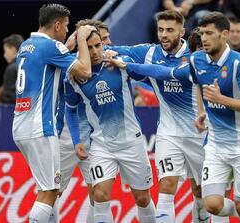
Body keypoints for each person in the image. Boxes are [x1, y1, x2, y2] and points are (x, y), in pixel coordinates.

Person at [109, 10, 210, 223]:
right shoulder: (148, 52)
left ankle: (203, 212)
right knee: (166, 187)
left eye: (170, 30)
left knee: (203, 194)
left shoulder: (196, 56)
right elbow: (114, 50)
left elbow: (159, 72)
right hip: (169, 133)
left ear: (182, 32)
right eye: (161, 29)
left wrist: (128, 64)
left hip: (199, 134)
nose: (164, 35)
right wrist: (101, 52)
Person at [12, 3, 93, 223]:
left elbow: (51, 58)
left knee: (46, 188)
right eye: (66, 26)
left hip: (21, 126)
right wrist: (83, 40)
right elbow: (85, 70)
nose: (67, 30)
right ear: (57, 24)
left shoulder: (27, 45)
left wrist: (67, 46)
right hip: (41, 127)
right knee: (49, 191)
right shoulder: (50, 48)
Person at [64, 29, 156, 223]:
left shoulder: (118, 63)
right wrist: (76, 140)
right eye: (89, 48)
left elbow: (146, 77)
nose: (96, 51)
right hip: (102, 144)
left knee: (142, 198)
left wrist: (127, 64)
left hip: (132, 142)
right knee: (100, 195)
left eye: (98, 45)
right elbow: (71, 110)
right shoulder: (73, 77)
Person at [192, 12, 240, 223]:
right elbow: (199, 84)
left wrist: (220, 99)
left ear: (224, 34)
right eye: (202, 33)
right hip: (216, 144)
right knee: (212, 204)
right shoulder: (197, 59)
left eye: (209, 33)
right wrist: (203, 111)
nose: (204, 38)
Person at [56, 19, 114, 223]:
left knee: (99, 194)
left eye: (105, 40)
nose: (107, 44)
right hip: (66, 137)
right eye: (102, 39)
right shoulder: (70, 64)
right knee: (52, 193)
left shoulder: (111, 64)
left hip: (96, 139)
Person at [0, 34, 24, 104]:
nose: (4, 55)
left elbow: (8, 98)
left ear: (13, 50)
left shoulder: (11, 69)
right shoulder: (29, 66)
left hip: (12, 111)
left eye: (5, 51)